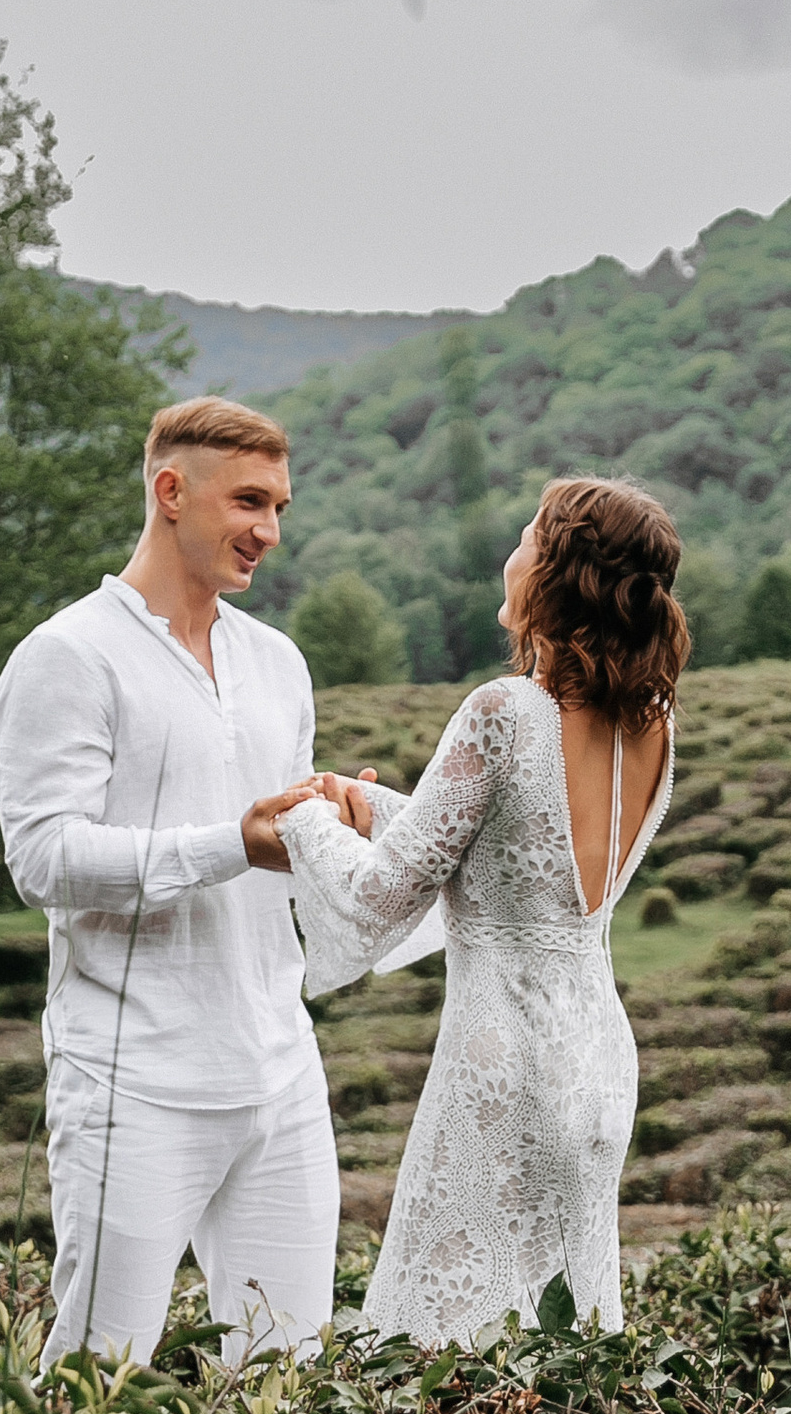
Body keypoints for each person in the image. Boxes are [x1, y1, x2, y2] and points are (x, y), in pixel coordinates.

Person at [259, 476, 682, 1347]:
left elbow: (383, 894)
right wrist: (370, 808)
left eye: (527, 535)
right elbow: (520, 854)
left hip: (503, 1062)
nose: (510, 552)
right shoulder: (653, 726)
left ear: (559, 569)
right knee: (566, 1336)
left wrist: (300, 816)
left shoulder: (502, 712)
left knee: (449, 1330)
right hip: (598, 1054)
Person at [0, 395, 368, 1367]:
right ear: (170, 492)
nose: (270, 532)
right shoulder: (66, 656)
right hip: (133, 1083)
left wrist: (334, 828)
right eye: (249, 502)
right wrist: (232, 842)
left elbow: (273, 855)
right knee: (94, 1379)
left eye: (280, 506)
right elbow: (44, 861)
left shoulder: (280, 663)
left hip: (279, 1071)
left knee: (290, 1375)